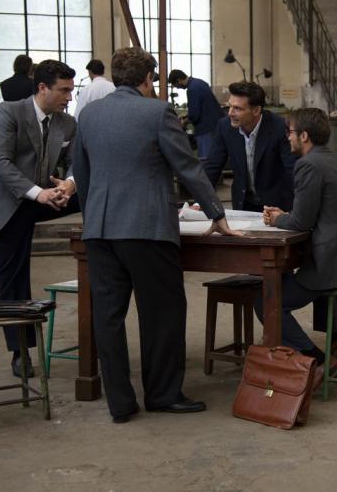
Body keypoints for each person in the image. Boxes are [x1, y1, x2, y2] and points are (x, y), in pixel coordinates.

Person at [74, 47, 242, 424]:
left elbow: (81, 173)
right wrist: (216, 213)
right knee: (162, 313)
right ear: (148, 79)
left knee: (108, 316)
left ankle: (120, 402)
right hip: (147, 229)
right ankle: (163, 394)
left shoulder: (89, 114)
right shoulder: (157, 112)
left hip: (99, 229)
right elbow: (187, 167)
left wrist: (93, 215)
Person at [0, 60, 79, 377]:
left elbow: (76, 161)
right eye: (64, 90)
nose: (69, 97)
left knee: (91, 192)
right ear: (42, 88)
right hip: (3, 203)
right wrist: (38, 194)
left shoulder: (66, 123)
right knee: (14, 278)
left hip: (40, 197)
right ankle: (20, 353)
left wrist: (69, 184)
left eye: (71, 90)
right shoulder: (9, 113)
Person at [261, 108, 337, 367]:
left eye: (290, 132)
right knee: (301, 277)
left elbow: (301, 222)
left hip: (334, 263)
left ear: (304, 136)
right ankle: (336, 346)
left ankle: (318, 361)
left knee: (266, 304)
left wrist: (276, 219)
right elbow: (321, 212)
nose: (288, 137)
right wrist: (287, 215)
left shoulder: (308, 165)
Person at [203, 81, 296, 212]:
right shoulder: (225, 126)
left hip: (276, 206)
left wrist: (297, 211)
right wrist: (200, 201)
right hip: (243, 203)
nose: (230, 113)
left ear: (256, 110)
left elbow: (292, 170)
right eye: (230, 106)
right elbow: (213, 165)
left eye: (237, 108)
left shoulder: (279, 127)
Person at [167, 69, 225, 159]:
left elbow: (194, 115)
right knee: (215, 157)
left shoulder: (192, 89)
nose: (177, 88)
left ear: (179, 80)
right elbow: (201, 107)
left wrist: (184, 122)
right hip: (215, 125)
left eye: (176, 86)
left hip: (206, 129)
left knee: (206, 159)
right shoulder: (200, 82)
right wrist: (186, 116)